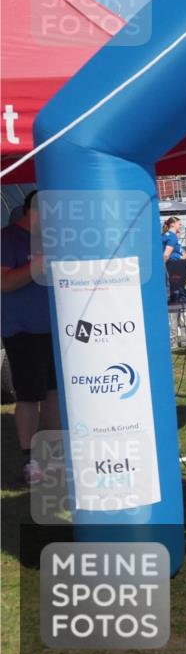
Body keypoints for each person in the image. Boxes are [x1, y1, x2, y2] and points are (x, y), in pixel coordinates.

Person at [1, 191, 60, 484]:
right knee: (28, 396)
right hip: (23, 329)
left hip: (56, 329)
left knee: (53, 394)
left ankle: (54, 456)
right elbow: (6, 283)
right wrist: (40, 262)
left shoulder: (52, 239)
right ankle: (30, 459)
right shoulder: (7, 238)